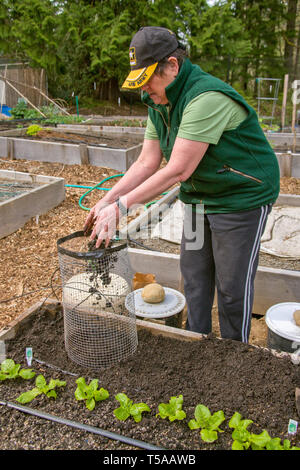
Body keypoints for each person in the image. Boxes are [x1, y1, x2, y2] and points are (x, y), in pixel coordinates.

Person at [84, 26, 280, 343]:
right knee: (194, 275)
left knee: (232, 287)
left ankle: (235, 354)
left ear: (173, 65)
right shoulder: (159, 102)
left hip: (241, 197)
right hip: (199, 198)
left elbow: (178, 170)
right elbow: (147, 162)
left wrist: (122, 207)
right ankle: (195, 341)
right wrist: (107, 202)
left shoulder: (205, 97)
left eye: (148, 79)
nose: (145, 89)